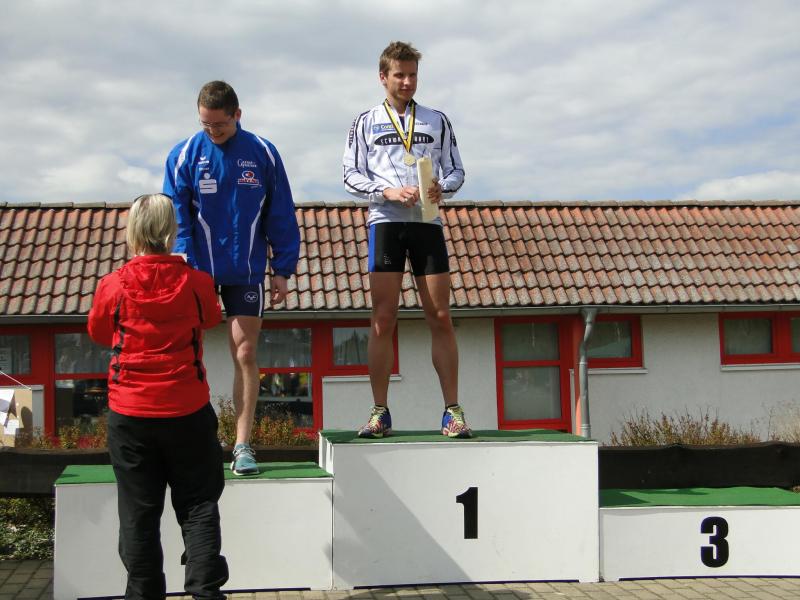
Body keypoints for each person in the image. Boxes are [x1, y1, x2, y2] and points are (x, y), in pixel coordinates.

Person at [88, 194, 228, 600]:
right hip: (188, 409)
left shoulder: (112, 285)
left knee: (139, 513)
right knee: (199, 506)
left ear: (132, 231)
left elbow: (99, 333)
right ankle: (205, 592)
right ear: (172, 231)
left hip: (130, 414)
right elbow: (211, 319)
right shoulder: (198, 283)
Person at [164, 81, 301, 475]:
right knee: (186, 353)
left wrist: (282, 269)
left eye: (220, 125)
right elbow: (176, 215)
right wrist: (183, 263)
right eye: (205, 125)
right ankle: (190, 441)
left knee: (245, 352)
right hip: (198, 271)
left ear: (237, 115)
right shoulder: (184, 155)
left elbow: (280, 211)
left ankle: (242, 445)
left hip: (247, 270)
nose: (213, 131)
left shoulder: (263, 152)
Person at [342, 41, 471, 438]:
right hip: (386, 223)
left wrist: (441, 188)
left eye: (412, 74)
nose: (407, 81)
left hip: (427, 223)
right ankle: (379, 412)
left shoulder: (436, 120)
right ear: (383, 77)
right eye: (399, 74)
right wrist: (386, 192)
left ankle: (452, 412)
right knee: (383, 318)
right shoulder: (365, 121)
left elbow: (457, 171)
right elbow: (350, 175)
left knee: (441, 316)